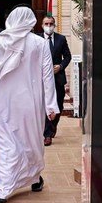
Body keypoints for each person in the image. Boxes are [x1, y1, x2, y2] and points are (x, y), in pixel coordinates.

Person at [0, 7, 58, 203]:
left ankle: (5, 187)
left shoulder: (1, 40)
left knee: (4, 143)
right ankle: (32, 178)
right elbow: (47, 76)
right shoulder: (39, 42)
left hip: (4, 101)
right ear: (31, 21)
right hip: (30, 102)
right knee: (30, 141)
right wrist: (51, 106)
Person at [40, 16, 71, 146]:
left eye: (51, 23)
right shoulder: (36, 39)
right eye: (46, 23)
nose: (49, 26)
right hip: (42, 78)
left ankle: (53, 125)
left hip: (57, 78)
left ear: (54, 25)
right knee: (45, 105)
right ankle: (47, 134)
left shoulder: (61, 39)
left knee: (58, 104)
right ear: (42, 25)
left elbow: (67, 56)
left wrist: (61, 66)